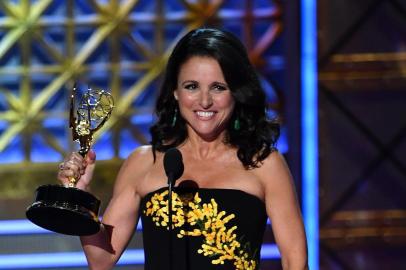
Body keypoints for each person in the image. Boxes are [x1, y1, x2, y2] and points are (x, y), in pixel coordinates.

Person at [58, 28, 308, 270]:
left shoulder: (263, 163)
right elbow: (101, 260)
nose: (204, 101)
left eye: (218, 87)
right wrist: (81, 198)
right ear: (175, 92)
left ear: (236, 92)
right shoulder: (145, 162)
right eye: (192, 86)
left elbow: (295, 262)